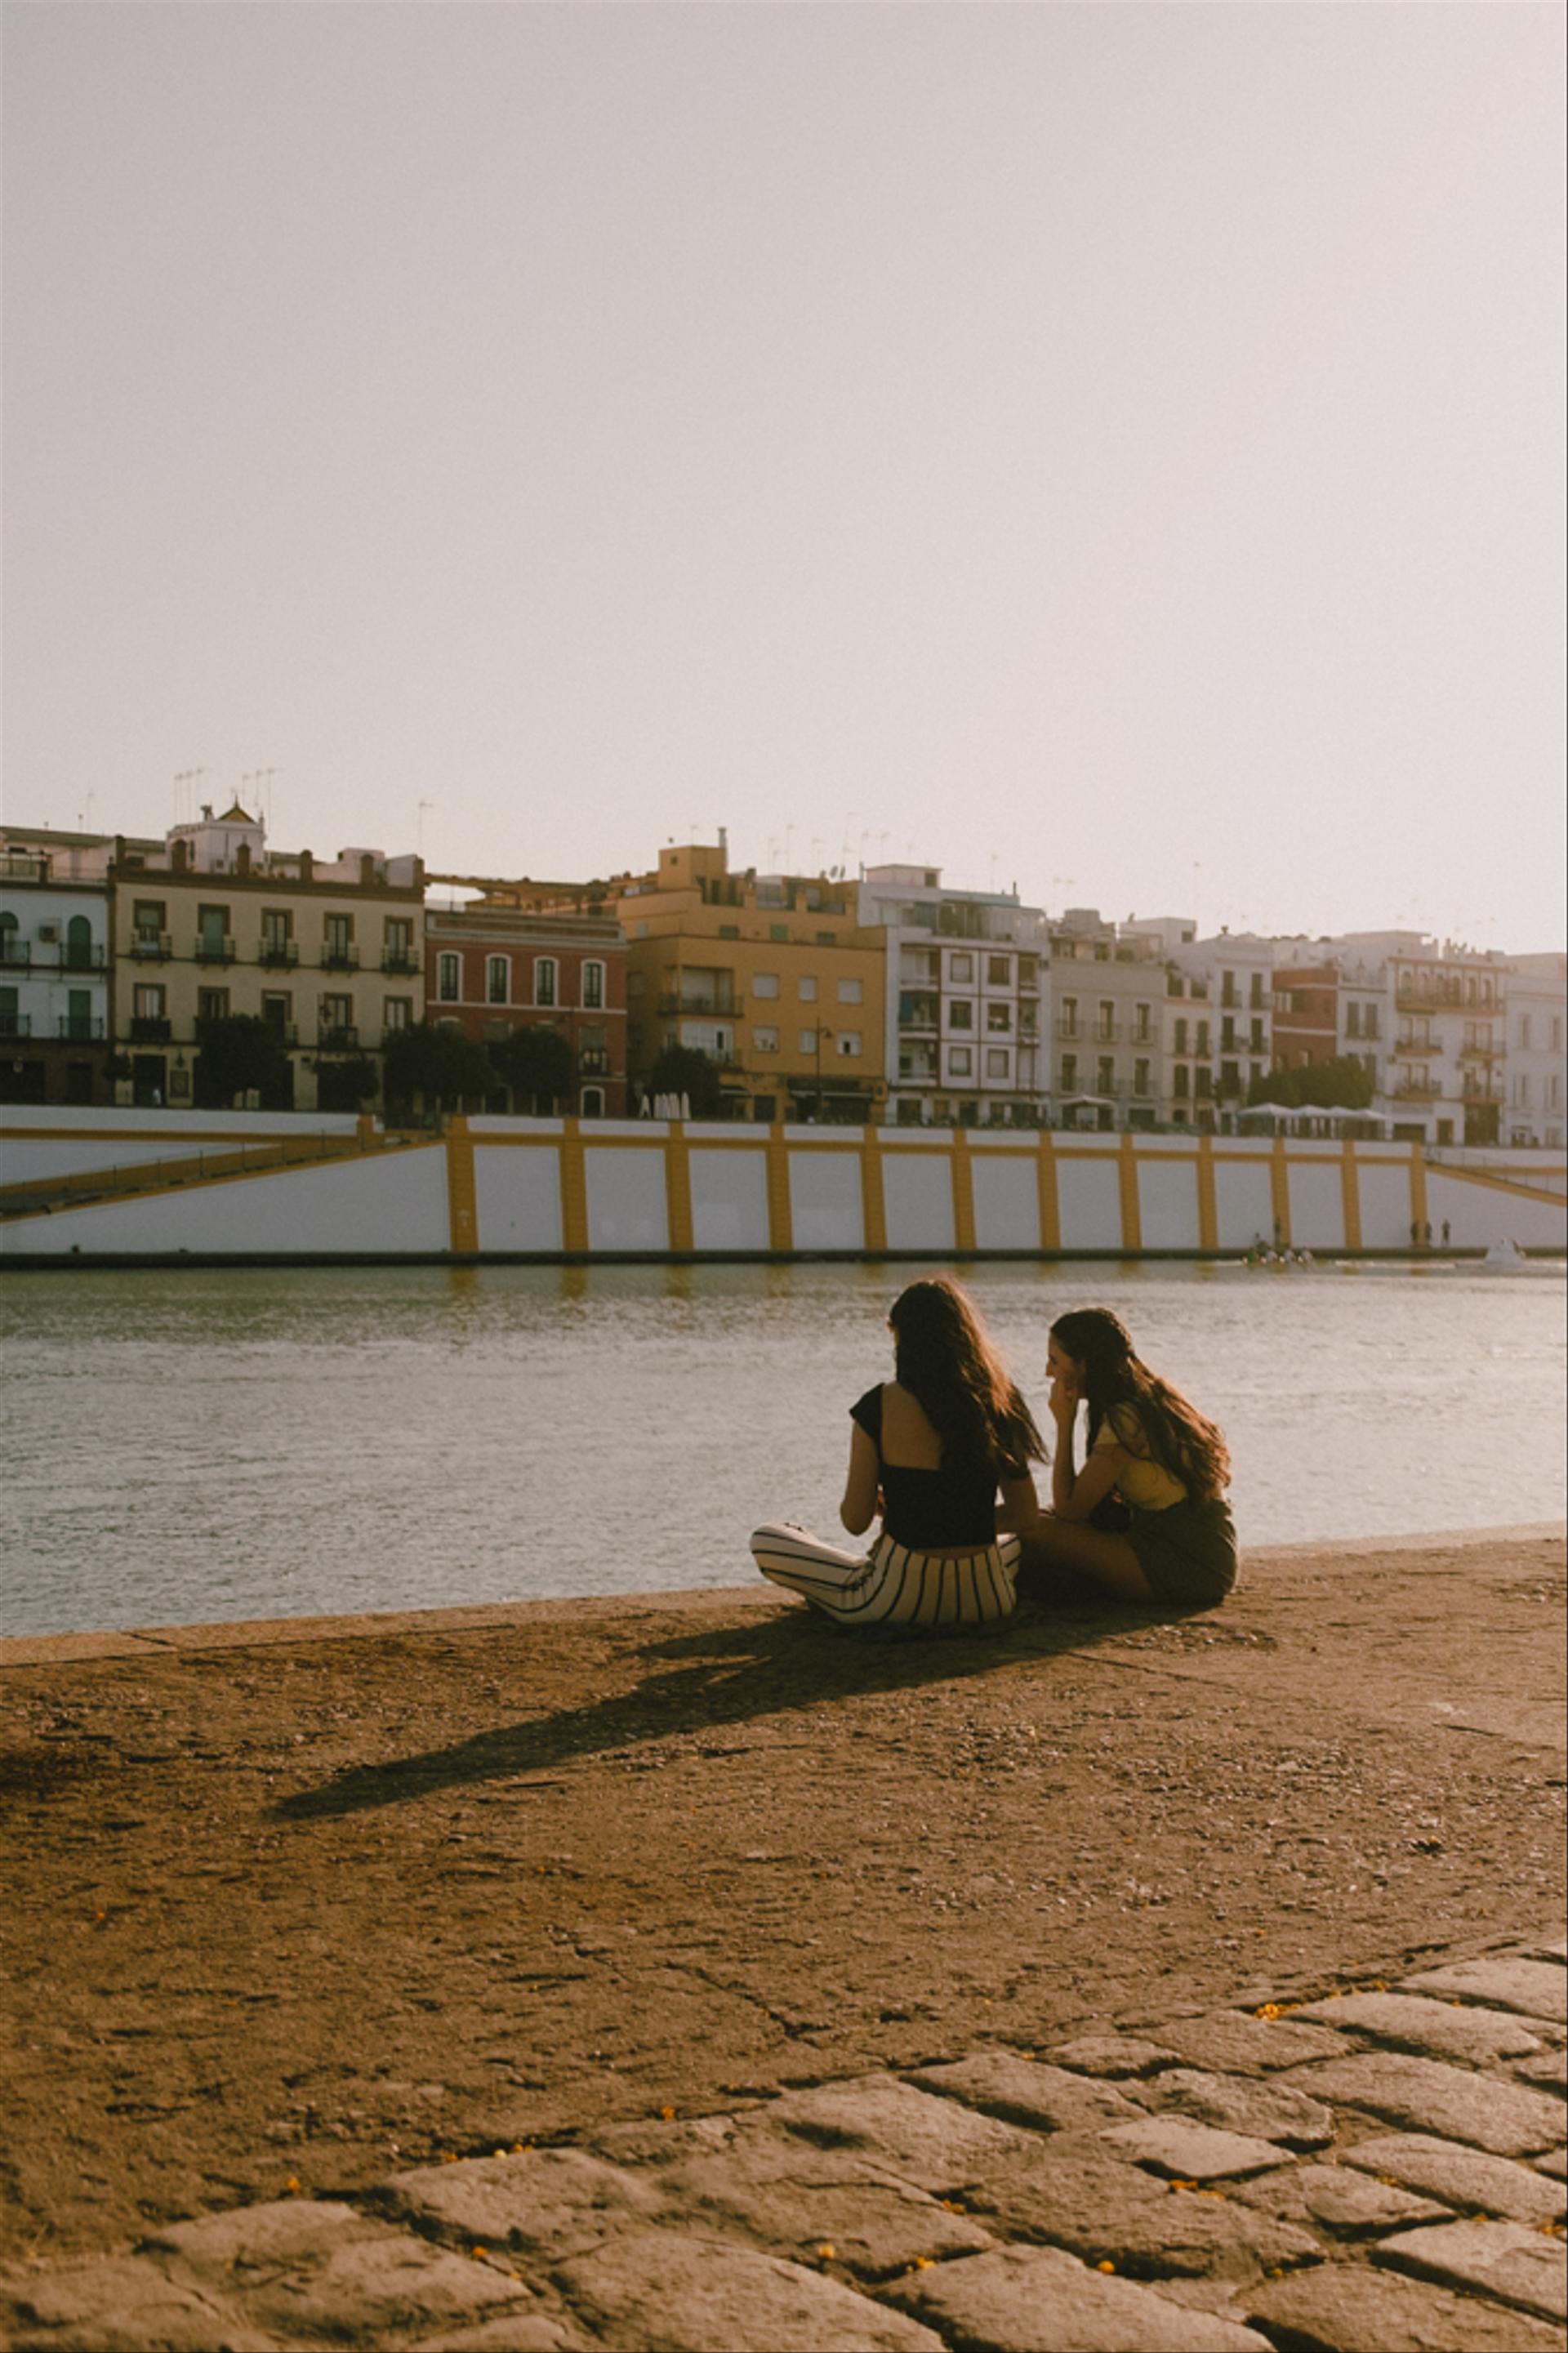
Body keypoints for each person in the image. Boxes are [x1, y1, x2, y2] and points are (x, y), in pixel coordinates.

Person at [751, 1277, 1044, 1630]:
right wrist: (958, 1521)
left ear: (899, 1334)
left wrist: (908, 1512)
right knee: (1010, 1547)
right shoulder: (1000, 1400)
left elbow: (855, 1522)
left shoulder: (879, 1405)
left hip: (896, 1600)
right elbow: (1026, 1515)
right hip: (988, 1598)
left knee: (768, 1538)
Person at [1018, 1305, 1237, 1608]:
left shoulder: (1127, 1418)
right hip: (1191, 1551)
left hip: (1188, 1562)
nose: (1048, 1372)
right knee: (1037, 1520)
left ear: (1084, 1365)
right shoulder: (1146, 1397)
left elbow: (1071, 1510)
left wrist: (1064, 1424)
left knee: (1033, 1529)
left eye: (1055, 1360)